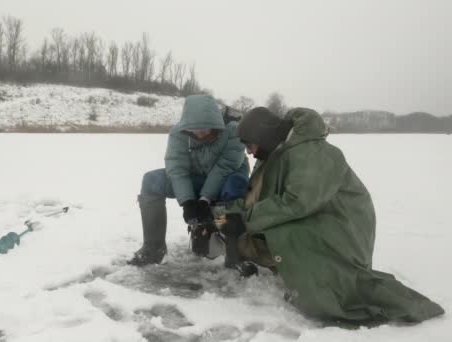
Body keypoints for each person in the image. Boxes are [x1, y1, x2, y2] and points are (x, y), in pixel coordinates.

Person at [220, 106, 444, 325]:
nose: (248, 152)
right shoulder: (277, 154)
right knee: (267, 236)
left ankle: (398, 303)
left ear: (263, 136)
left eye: (249, 144)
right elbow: (259, 199)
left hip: (343, 228)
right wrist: (227, 216)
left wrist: (245, 220)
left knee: (289, 239)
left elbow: (297, 202)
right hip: (318, 219)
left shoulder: (312, 152)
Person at [127, 94, 250, 267]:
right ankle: (154, 249)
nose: (199, 134)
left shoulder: (234, 130)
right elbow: (177, 169)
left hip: (227, 178)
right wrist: (188, 202)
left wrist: (205, 199)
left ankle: (235, 253)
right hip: (197, 176)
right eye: (195, 130)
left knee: (231, 193)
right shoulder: (178, 134)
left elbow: (225, 167)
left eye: (205, 129)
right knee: (151, 180)